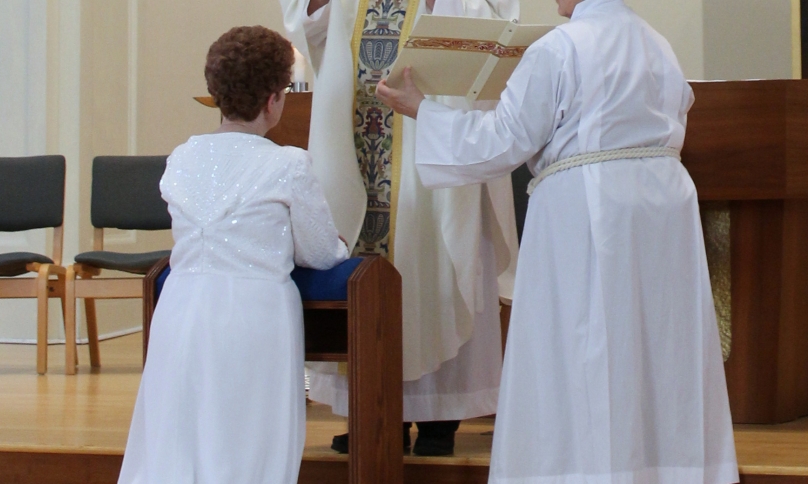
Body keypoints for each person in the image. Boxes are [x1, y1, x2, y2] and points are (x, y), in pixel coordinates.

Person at [376, 0, 740, 481]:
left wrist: (421, 109)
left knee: (581, 342)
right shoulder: (658, 44)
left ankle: (580, 469)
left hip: (588, 209)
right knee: (657, 345)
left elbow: (504, 140)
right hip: (662, 210)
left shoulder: (559, 47)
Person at [279, 0, 520, 456]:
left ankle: (438, 416)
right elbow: (308, 20)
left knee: (437, 262)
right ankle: (370, 408)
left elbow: (497, 19)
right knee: (363, 257)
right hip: (358, 141)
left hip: (431, 138)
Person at [117, 26, 348, 484]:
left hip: (180, 313)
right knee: (245, 443)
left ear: (216, 94)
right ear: (273, 100)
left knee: (176, 436)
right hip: (252, 317)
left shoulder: (181, 159)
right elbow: (322, 254)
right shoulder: (286, 164)